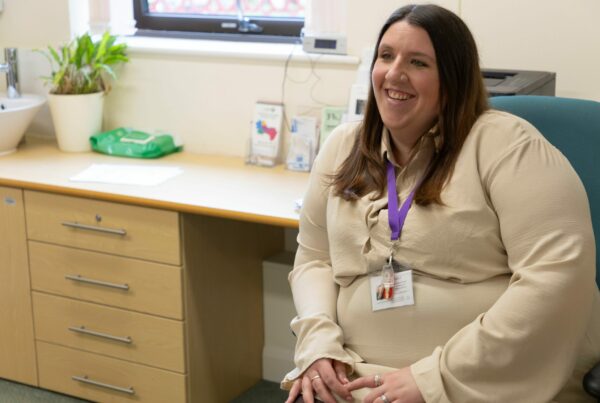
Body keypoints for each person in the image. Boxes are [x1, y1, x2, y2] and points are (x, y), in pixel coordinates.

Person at [282, 4, 600, 403]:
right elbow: (315, 259)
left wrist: (434, 379)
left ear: (451, 80)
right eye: (386, 56)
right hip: (355, 375)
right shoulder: (342, 147)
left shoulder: (507, 146)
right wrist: (317, 345)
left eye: (417, 62)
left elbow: (556, 276)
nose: (394, 73)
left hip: (479, 383)